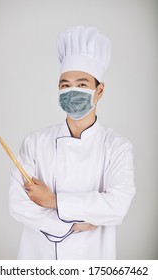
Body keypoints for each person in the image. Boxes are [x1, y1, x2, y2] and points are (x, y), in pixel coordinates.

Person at [9, 26, 135, 260]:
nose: (72, 91)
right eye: (65, 85)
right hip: (39, 259)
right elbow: (18, 204)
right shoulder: (34, 143)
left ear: (100, 91)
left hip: (93, 259)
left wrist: (52, 201)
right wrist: (73, 225)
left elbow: (117, 206)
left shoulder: (117, 147)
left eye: (82, 84)